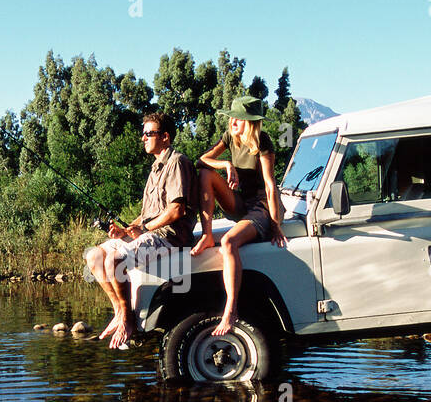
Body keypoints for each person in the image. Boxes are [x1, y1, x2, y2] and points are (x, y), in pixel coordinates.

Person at [84, 112, 197, 349]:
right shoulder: (155, 168)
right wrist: (125, 231)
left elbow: (176, 210)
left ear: (165, 137)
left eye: (149, 133)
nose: (143, 138)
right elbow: (146, 214)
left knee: (115, 260)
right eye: (143, 133)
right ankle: (119, 311)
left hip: (170, 238)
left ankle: (128, 319)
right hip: (150, 234)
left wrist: (143, 228)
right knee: (93, 256)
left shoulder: (177, 162)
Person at [188, 95, 286, 335]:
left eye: (238, 118)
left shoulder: (263, 142)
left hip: (262, 207)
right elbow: (202, 160)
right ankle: (207, 235)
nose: (233, 121)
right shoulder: (229, 137)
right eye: (231, 117)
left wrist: (276, 225)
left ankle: (231, 309)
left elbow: (271, 185)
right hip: (243, 203)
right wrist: (226, 165)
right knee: (205, 175)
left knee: (230, 242)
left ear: (249, 122)